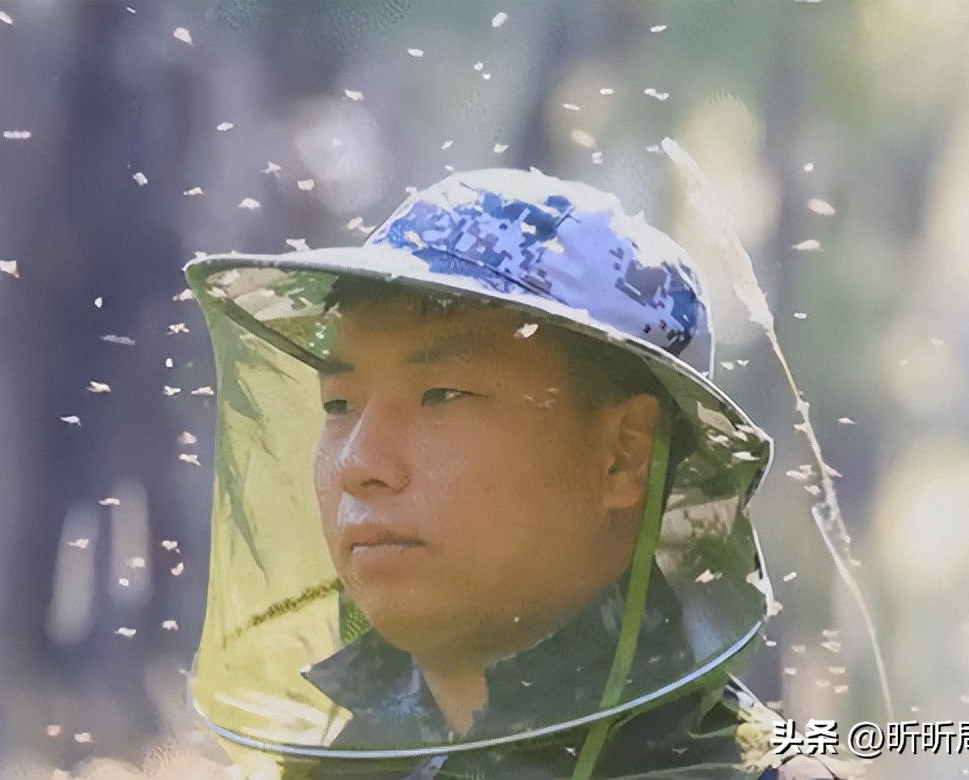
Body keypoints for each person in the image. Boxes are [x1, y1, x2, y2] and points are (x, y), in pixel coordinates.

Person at [182, 170, 853, 779]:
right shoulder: (343, 768)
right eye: (337, 405)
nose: (360, 463)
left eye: (441, 395)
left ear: (623, 455)